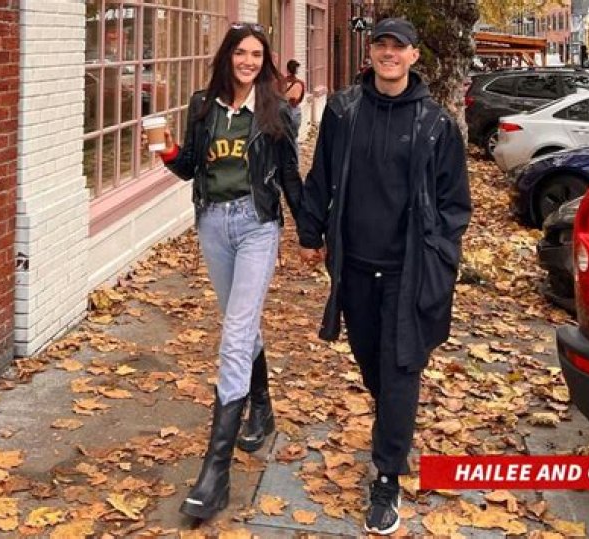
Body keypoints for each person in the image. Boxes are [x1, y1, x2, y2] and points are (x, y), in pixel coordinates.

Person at [297, 18, 472, 535]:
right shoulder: (343, 111)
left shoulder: (436, 123)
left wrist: (440, 253)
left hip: (408, 271)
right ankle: (392, 425)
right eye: (381, 45)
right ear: (370, 52)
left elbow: (455, 203)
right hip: (353, 265)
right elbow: (322, 175)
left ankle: (387, 476)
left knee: (400, 369)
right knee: (371, 363)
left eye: (399, 47)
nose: (389, 53)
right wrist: (309, 232)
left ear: (414, 56)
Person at [148, 22, 302, 521]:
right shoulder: (203, 105)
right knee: (242, 324)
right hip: (213, 224)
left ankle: (215, 475)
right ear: (227, 57)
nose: (249, 61)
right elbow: (191, 167)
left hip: (257, 224)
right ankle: (263, 408)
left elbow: (290, 174)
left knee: (235, 334)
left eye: (257, 54)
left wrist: (311, 233)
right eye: (241, 53)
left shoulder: (275, 109)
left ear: (265, 60)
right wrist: (165, 149)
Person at [284, 59, 305, 134]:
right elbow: (300, 98)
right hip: (295, 111)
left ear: (287, 69)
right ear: (296, 70)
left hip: (283, 111)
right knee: (294, 136)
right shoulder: (300, 83)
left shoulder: (281, 82)